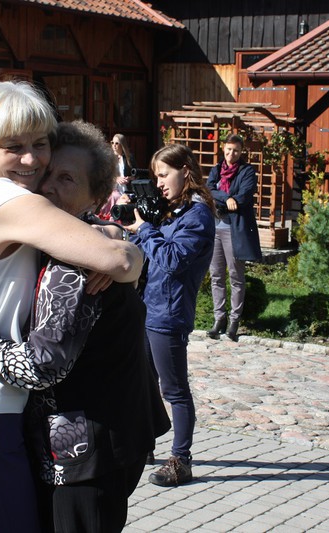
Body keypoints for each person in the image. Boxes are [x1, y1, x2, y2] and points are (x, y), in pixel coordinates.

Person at [0, 82, 143, 533]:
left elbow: (109, 247)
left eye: (41, 145)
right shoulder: (9, 200)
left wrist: (115, 240)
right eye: (13, 147)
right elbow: (116, 261)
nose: (33, 161)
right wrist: (121, 255)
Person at [121, 143, 216, 487]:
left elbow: (173, 261)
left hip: (169, 314)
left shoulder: (198, 215)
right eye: (156, 175)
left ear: (185, 171)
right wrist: (137, 229)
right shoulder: (173, 212)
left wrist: (146, 229)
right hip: (148, 308)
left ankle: (181, 461)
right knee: (142, 381)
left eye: (164, 175)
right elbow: (150, 254)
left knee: (174, 390)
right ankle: (144, 445)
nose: (159, 183)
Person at [205, 134, 262, 341]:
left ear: (241, 152)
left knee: (236, 276)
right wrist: (226, 197)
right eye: (228, 150)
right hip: (215, 227)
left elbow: (245, 196)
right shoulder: (216, 169)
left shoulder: (247, 171)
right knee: (216, 275)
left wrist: (229, 199)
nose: (231, 154)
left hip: (233, 230)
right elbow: (208, 191)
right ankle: (219, 319)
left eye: (236, 150)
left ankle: (234, 321)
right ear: (223, 149)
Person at [97, 133, 135, 219]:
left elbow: (136, 175)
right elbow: (104, 176)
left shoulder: (129, 158)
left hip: (126, 189)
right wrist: (116, 179)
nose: (114, 145)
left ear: (122, 144)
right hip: (114, 189)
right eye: (112, 143)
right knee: (114, 196)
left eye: (117, 143)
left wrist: (129, 178)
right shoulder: (109, 158)